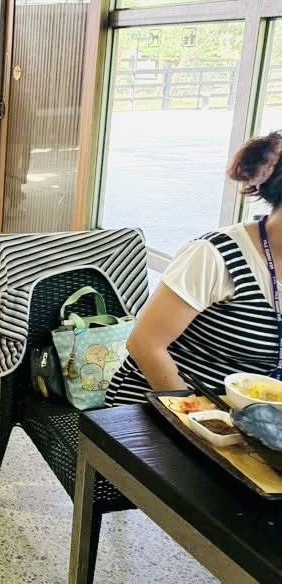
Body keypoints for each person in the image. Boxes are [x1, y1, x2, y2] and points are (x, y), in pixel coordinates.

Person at [106, 132, 282, 405]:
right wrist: (199, 416)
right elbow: (145, 345)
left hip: (252, 417)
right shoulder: (214, 255)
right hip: (162, 407)